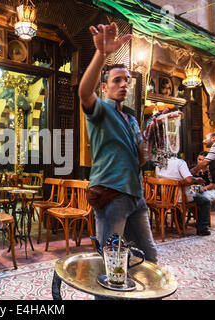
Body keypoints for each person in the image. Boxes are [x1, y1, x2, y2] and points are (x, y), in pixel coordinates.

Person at [79, 22, 158, 263]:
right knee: (111, 262)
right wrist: (102, 53)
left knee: (149, 257)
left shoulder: (133, 118)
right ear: (104, 87)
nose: (123, 84)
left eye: (126, 80)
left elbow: (141, 158)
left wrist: (147, 143)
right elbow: (84, 92)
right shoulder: (101, 110)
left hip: (136, 195)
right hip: (112, 195)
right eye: (116, 80)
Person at [155, 154, 211, 236]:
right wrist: (196, 179)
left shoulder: (159, 164)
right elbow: (189, 180)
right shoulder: (180, 162)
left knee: (182, 202)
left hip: (167, 197)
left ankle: (180, 224)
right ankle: (202, 229)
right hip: (181, 196)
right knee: (206, 201)